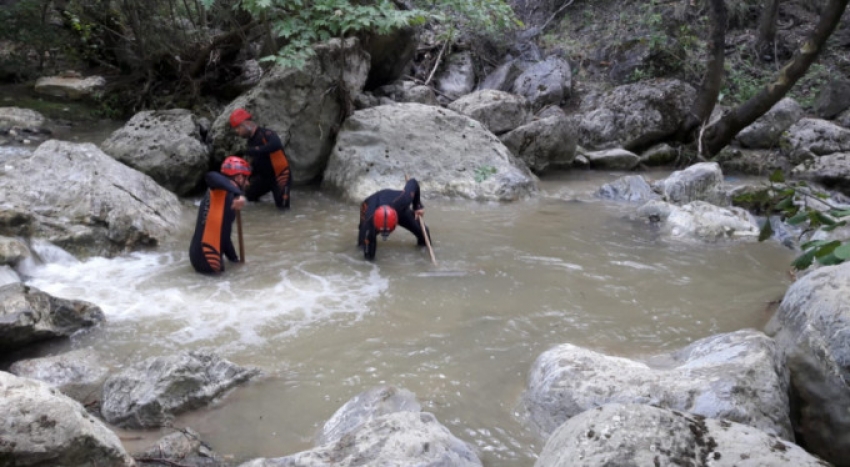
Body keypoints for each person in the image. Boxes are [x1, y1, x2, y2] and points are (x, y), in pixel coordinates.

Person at [189, 156, 249, 274]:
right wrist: (239, 193)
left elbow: (224, 238)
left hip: (197, 255)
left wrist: (235, 261)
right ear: (239, 177)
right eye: (246, 178)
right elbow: (211, 176)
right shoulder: (220, 190)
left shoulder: (220, 192)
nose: (248, 183)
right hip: (209, 260)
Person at [229, 108, 291, 210]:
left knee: (283, 209)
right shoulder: (250, 142)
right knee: (249, 198)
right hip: (264, 179)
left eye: (238, 128)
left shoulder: (266, 134)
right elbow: (254, 163)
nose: (237, 131)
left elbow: (276, 145)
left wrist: (254, 150)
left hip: (281, 176)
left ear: (246, 124)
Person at [358, 178, 431, 261]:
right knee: (363, 247)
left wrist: (417, 206)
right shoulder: (369, 224)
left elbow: (413, 182)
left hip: (396, 207)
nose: (386, 235)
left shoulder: (404, 199)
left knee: (424, 233)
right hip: (369, 204)